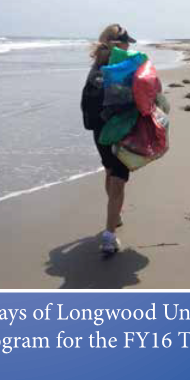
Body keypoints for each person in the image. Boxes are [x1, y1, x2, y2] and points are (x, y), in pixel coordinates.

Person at [80, 23, 139, 257]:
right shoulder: (123, 64)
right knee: (119, 181)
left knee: (109, 171)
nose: (130, 46)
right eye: (127, 42)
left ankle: (115, 215)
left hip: (99, 131)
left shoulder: (97, 63)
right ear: (120, 43)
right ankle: (108, 237)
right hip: (120, 129)